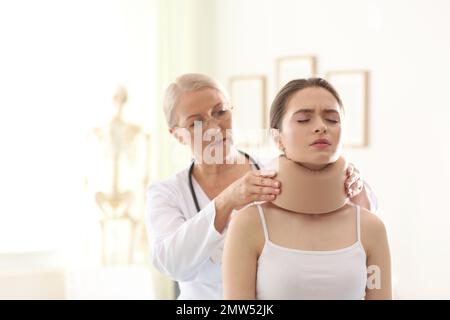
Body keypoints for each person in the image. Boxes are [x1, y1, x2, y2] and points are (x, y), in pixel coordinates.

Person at [145, 74, 378, 299]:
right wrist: (227, 201)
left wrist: (352, 180)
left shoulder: (276, 168)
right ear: (176, 135)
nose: (214, 127)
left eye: (220, 112)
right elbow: (172, 263)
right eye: (196, 122)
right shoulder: (166, 193)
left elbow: (357, 217)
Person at [222, 78, 391, 300]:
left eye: (332, 119)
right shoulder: (248, 224)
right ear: (277, 138)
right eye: (303, 119)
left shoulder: (371, 228)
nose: (321, 126)